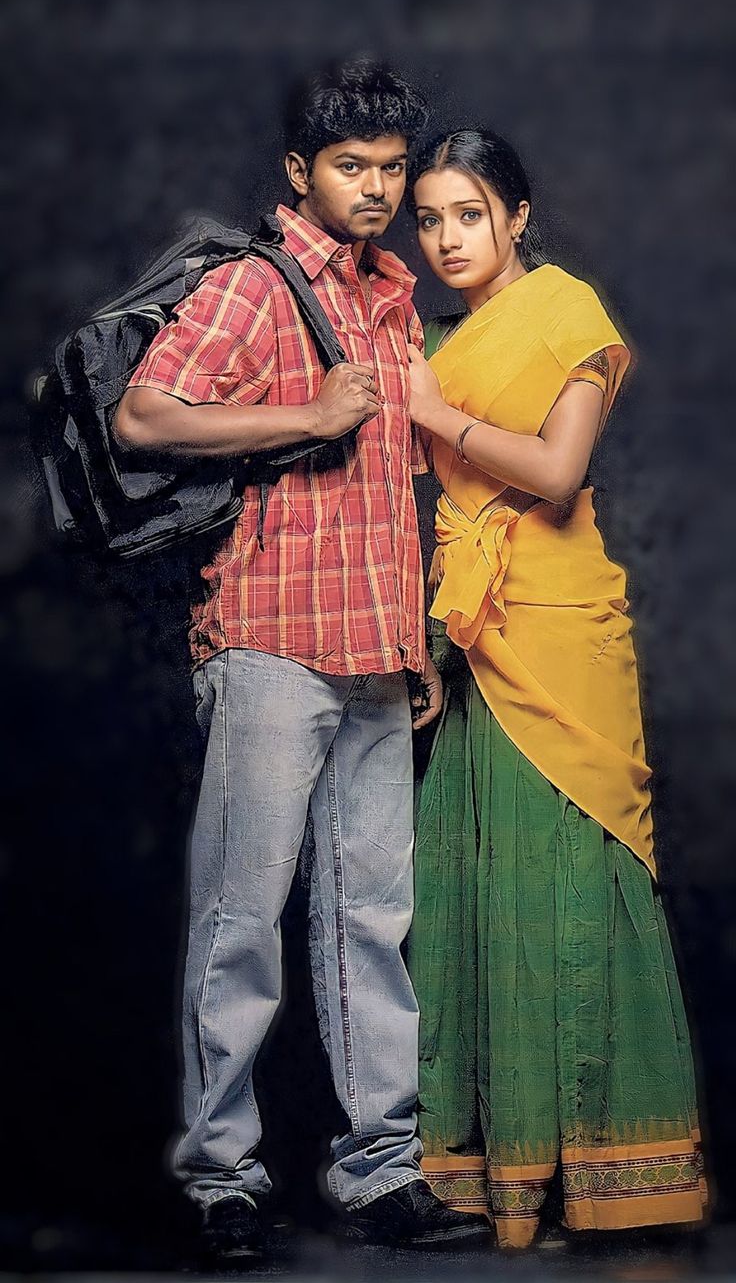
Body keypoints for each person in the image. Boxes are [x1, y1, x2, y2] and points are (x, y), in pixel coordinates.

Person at [113, 61, 489, 1261]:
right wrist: (305, 416)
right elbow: (147, 415)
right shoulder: (252, 284)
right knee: (242, 917)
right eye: (351, 169)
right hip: (270, 640)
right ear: (300, 174)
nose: (376, 192)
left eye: (391, 169)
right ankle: (223, 1175)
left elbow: (396, 489)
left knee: (371, 916)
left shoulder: (389, 294)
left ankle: (378, 1167)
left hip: (374, 648)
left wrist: (418, 635)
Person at [404, 128, 708, 1250]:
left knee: (572, 880)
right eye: (427, 217)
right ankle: (499, 1176)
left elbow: (555, 471)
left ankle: (611, 1171)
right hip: (467, 631)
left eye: (467, 214)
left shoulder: (565, 313)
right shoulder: (426, 332)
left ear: (517, 216)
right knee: (481, 883)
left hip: (559, 623)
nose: (443, 238)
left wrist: (432, 414)